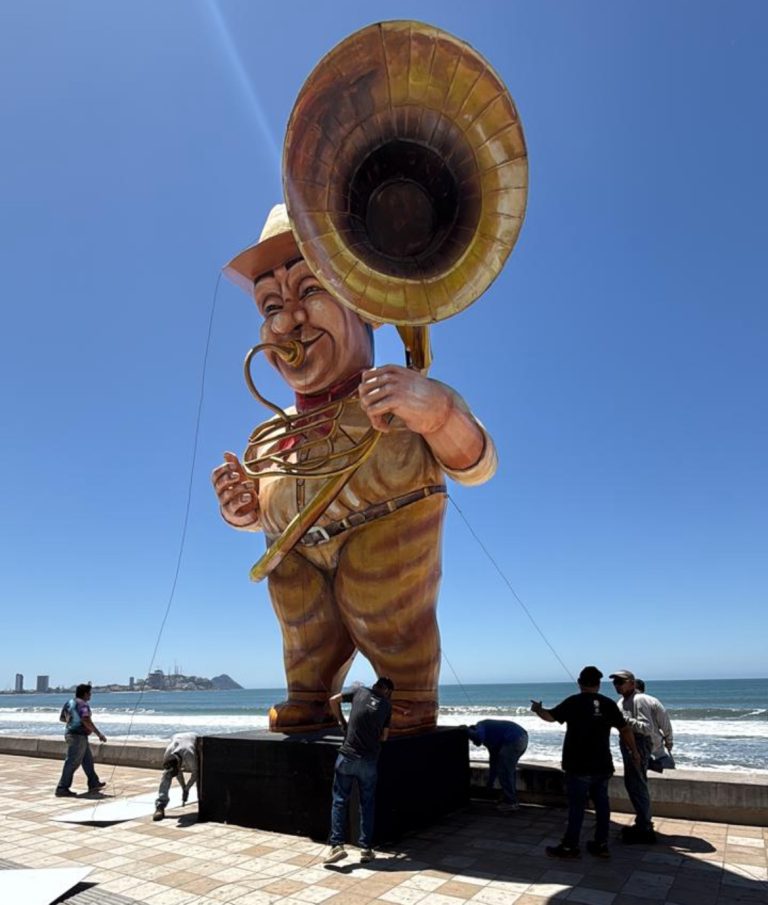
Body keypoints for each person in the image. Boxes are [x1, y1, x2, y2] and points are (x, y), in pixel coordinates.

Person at [212, 204, 496, 735]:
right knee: (300, 619)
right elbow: (260, 514)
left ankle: (409, 694)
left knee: (384, 602)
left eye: (310, 292)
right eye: (271, 305)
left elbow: (476, 463)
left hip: (389, 527)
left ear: (363, 304)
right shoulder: (268, 435)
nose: (289, 319)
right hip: (295, 550)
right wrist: (243, 510)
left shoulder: (400, 397)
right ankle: (310, 693)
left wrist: (438, 413)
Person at [531, 666, 640, 859]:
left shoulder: (573, 702)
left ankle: (570, 847)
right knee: (602, 806)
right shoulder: (608, 704)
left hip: (577, 765)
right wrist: (635, 752)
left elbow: (550, 717)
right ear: (598, 684)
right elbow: (625, 729)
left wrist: (538, 709)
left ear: (580, 683)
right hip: (602, 765)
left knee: (577, 807)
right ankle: (601, 844)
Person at [323, 677, 394, 865]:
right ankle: (365, 848)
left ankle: (337, 845)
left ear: (376, 685)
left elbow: (333, 700)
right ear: (387, 691)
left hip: (347, 757)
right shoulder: (387, 706)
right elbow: (384, 737)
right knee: (367, 803)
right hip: (369, 760)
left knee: (339, 801)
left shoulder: (359, 691)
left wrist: (342, 722)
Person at [609, 669, 657, 843]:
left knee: (637, 784)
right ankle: (642, 822)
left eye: (620, 682)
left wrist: (623, 719)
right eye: (615, 682)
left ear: (632, 683)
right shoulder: (623, 701)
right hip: (630, 745)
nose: (617, 685)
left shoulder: (639, 700)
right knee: (633, 783)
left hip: (638, 744)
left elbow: (647, 728)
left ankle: (645, 826)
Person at [55, 683, 107, 797]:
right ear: (85, 693)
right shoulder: (83, 705)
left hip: (71, 734)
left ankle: (93, 782)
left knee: (87, 760)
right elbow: (86, 720)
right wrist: (99, 734)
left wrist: (73, 722)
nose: (90, 696)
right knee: (72, 761)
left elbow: (62, 718)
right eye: (89, 693)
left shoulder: (69, 703)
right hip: (77, 736)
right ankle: (62, 787)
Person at [467, 719, 529, 811]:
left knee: (505, 772)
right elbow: (493, 762)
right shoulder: (491, 740)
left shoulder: (480, 725)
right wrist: (490, 782)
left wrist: (465, 730)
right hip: (521, 737)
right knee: (508, 770)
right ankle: (510, 799)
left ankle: (511, 802)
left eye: (472, 739)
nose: (473, 743)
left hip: (513, 739)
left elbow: (478, 737)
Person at [153, 732, 198, 821]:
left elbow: (195, 773)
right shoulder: (168, 753)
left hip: (194, 738)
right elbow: (178, 773)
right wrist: (183, 787)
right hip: (177, 738)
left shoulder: (189, 754)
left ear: (179, 765)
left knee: (200, 771)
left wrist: (187, 789)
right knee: (166, 775)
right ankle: (160, 806)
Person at [635, 679, 675, 771]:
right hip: (655, 746)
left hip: (633, 749)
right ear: (643, 689)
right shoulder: (652, 700)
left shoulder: (622, 702)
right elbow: (665, 724)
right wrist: (669, 741)